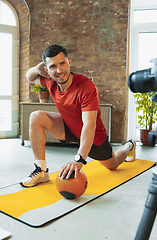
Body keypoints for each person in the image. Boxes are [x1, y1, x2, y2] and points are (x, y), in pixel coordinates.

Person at [20, 44, 136, 187]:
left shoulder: (86, 86)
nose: (59, 70)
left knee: (113, 164)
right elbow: (29, 76)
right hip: (69, 128)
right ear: (47, 70)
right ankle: (41, 171)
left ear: (69, 62)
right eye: (53, 66)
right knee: (36, 116)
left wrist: (79, 159)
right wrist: (38, 68)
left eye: (62, 63)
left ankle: (129, 146)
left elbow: (89, 125)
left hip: (94, 137)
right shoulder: (51, 81)